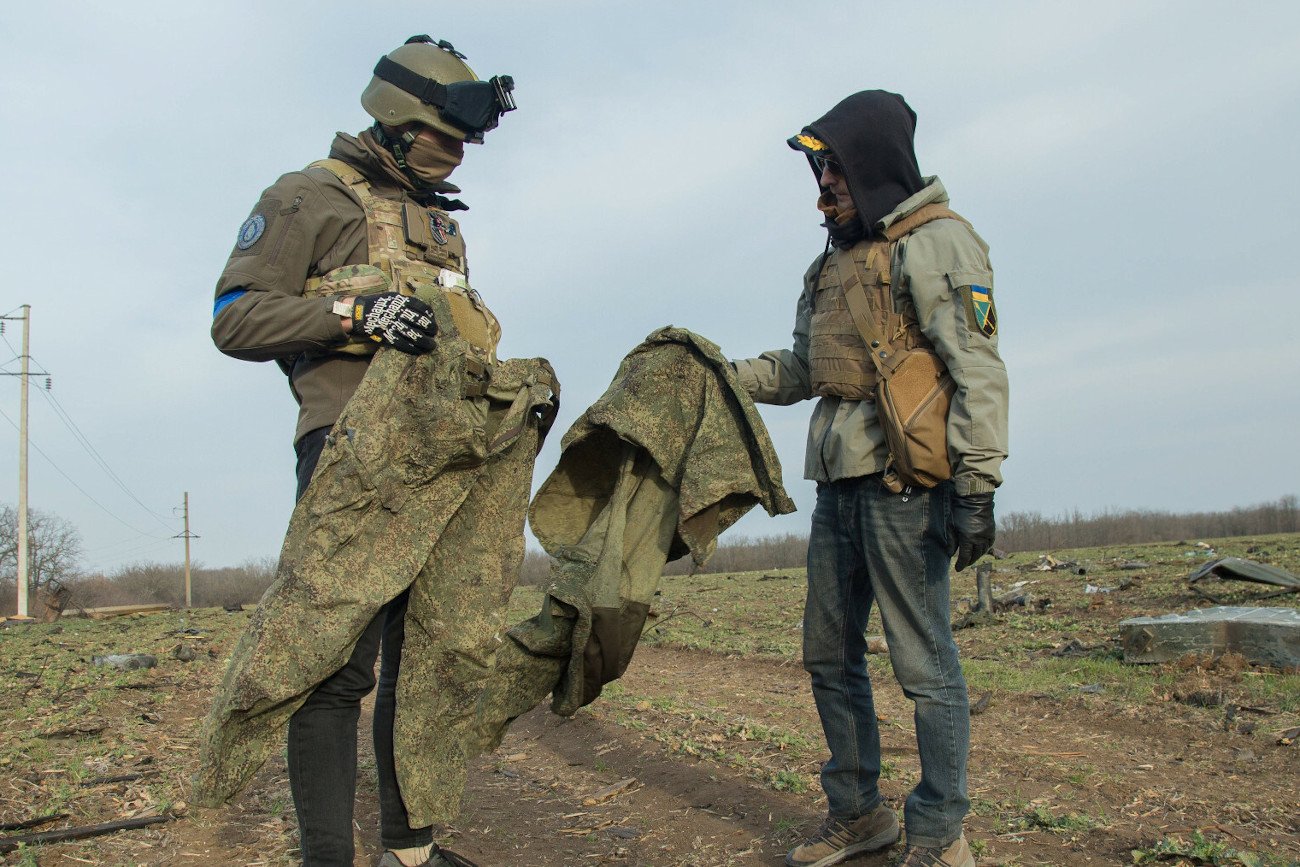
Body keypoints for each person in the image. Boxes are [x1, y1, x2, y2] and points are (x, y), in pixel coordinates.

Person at [210, 35, 518, 867]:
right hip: (353, 458)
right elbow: (235, 316)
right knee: (334, 668)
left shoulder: (441, 225)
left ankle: (407, 853)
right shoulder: (309, 197)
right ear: (396, 122)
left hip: (444, 464)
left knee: (427, 666)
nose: (458, 158)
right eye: (446, 141)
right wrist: (351, 318)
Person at [732, 90, 1008, 867]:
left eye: (836, 177)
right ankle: (859, 813)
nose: (822, 194)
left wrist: (977, 485)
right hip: (837, 488)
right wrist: (721, 374)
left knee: (925, 666)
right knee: (829, 655)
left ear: (875, 169)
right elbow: (801, 368)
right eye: (818, 178)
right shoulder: (828, 263)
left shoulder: (941, 243)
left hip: (906, 487)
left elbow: (977, 367)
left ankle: (940, 830)